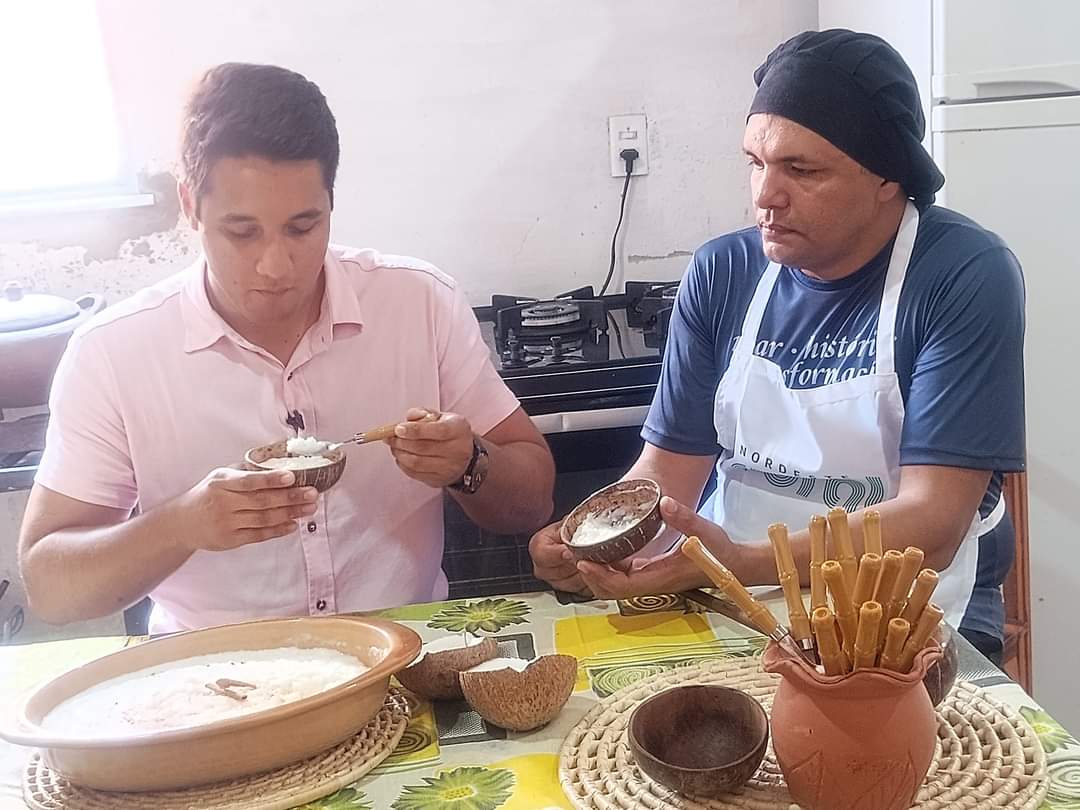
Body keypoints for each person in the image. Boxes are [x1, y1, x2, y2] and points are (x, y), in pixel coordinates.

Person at [530, 29, 1025, 661]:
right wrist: (593, 538)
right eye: (755, 163)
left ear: (888, 177)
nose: (765, 196)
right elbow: (668, 471)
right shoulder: (723, 271)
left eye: (802, 170)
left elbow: (933, 524)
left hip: (904, 606)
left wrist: (742, 560)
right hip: (732, 589)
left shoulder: (961, 273)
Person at [19, 63, 555, 634]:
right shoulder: (113, 353)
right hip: (210, 670)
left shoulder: (418, 303)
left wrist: (470, 463)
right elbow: (51, 587)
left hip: (402, 658)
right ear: (190, 205)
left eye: (302, 227)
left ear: (331, 202)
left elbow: (534, 503)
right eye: (242, 232)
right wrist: (182, 525)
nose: (276, 267)